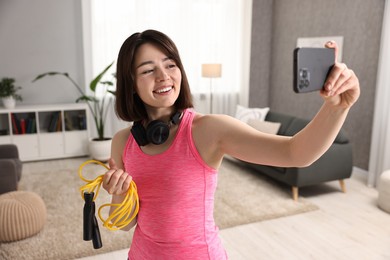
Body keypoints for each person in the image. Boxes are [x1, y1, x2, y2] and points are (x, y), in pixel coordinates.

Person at [102, 29, 360, 259]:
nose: (163, 76)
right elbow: (124, 223)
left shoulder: (208, 130)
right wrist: (119, 191)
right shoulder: (123, 142)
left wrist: (337, 109)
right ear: (132, 84)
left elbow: (295, 153)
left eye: (170, 65)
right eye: (148, 70)